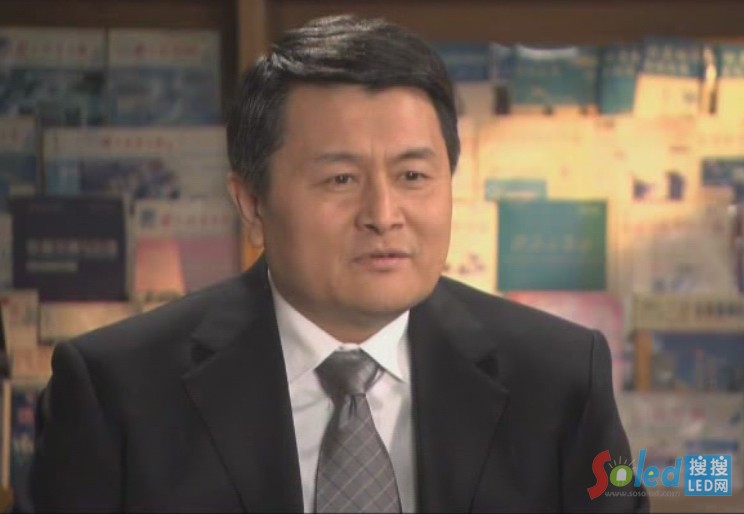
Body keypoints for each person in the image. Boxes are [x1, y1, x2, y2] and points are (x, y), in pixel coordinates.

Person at [19, 14, 648, 513]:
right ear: (252, 203)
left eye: (413, 176)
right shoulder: (116, 391)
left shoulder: (560, 378)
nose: (383, 214)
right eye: (341, 179)